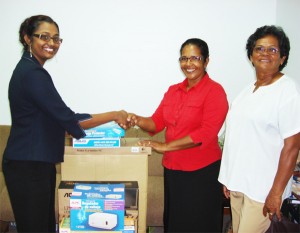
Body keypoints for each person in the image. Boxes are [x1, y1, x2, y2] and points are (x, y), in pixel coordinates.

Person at [2, 15, 128, 233]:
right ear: (27, 39)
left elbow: (55, 119)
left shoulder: (31, 69)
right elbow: (69, 120)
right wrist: (114, 114)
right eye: (44, 37)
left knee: (41, 225)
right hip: (28, 165)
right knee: (35, 227)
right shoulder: (32, 74)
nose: (51, 43)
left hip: (34, 163)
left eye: (56, 38)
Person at [127, 38, 229, 232]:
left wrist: (164, 146)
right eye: (184, 58)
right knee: (175, 222)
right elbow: (156, 122)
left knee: (200, 223)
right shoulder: (173, 91)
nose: (188, 64)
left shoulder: (215, 91)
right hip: (173, 169)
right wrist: (136, 119)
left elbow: (206, 133)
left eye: (195, 58)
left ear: (206, 61)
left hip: (202, 171)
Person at [218, 25, 300, 233]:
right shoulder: (247, 91)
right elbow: (236, 137)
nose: (265, 53)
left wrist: (276, 193)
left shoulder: (287, 91)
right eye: (259, 48)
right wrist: (228, 177)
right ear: (251, 55)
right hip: (238, 184)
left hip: (262, 190)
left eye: (272, 50)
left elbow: (292, 146)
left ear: (282, 58)